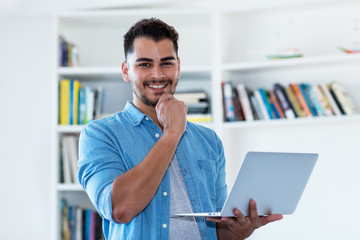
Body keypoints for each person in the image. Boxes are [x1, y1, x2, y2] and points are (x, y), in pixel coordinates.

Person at [78, 18, 283, 240]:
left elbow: (218, 230)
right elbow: (120, 209)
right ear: (126, 71)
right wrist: (172, 134)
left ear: (178, 66)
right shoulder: (100, 135)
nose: (157, 74)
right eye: (144, 64)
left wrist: (240, 230)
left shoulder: (209, 140)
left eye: (166, 63)